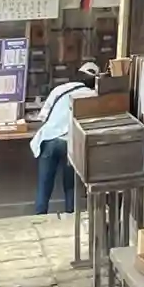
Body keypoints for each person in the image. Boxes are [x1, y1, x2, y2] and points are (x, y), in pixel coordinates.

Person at [31, 61, 98, 216]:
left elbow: (43, 116)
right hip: (71, 143)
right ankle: (71, 215)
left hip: (49, 140)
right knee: (71, 185)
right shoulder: (93, 96)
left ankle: (40, 216)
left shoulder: (59, 89)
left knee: (44, 183)